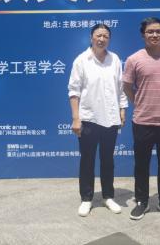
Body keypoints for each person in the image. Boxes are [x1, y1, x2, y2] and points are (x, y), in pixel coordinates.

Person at [123, 17, 160, 220]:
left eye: (158, 31)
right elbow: (127, 86)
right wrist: (139, 102)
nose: (154, 35)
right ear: (143, 35)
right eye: (150, 32)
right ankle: (142, 201)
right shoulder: (134, 59)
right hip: (142, 121)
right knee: (141, 164)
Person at [68, 23, 128, 217]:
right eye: (98, 35)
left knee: (108, 160)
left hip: (110, 118)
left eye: (105, 36)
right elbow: (74, 91)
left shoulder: (115, 59)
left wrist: (122, 109)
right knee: (87, 160)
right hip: (89, 118)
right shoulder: (81, 60)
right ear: (91, 37)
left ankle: (108, 196)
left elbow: (120, 86)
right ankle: (86, 198)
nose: (102, 39)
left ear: (109, 39)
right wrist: (76, 118)